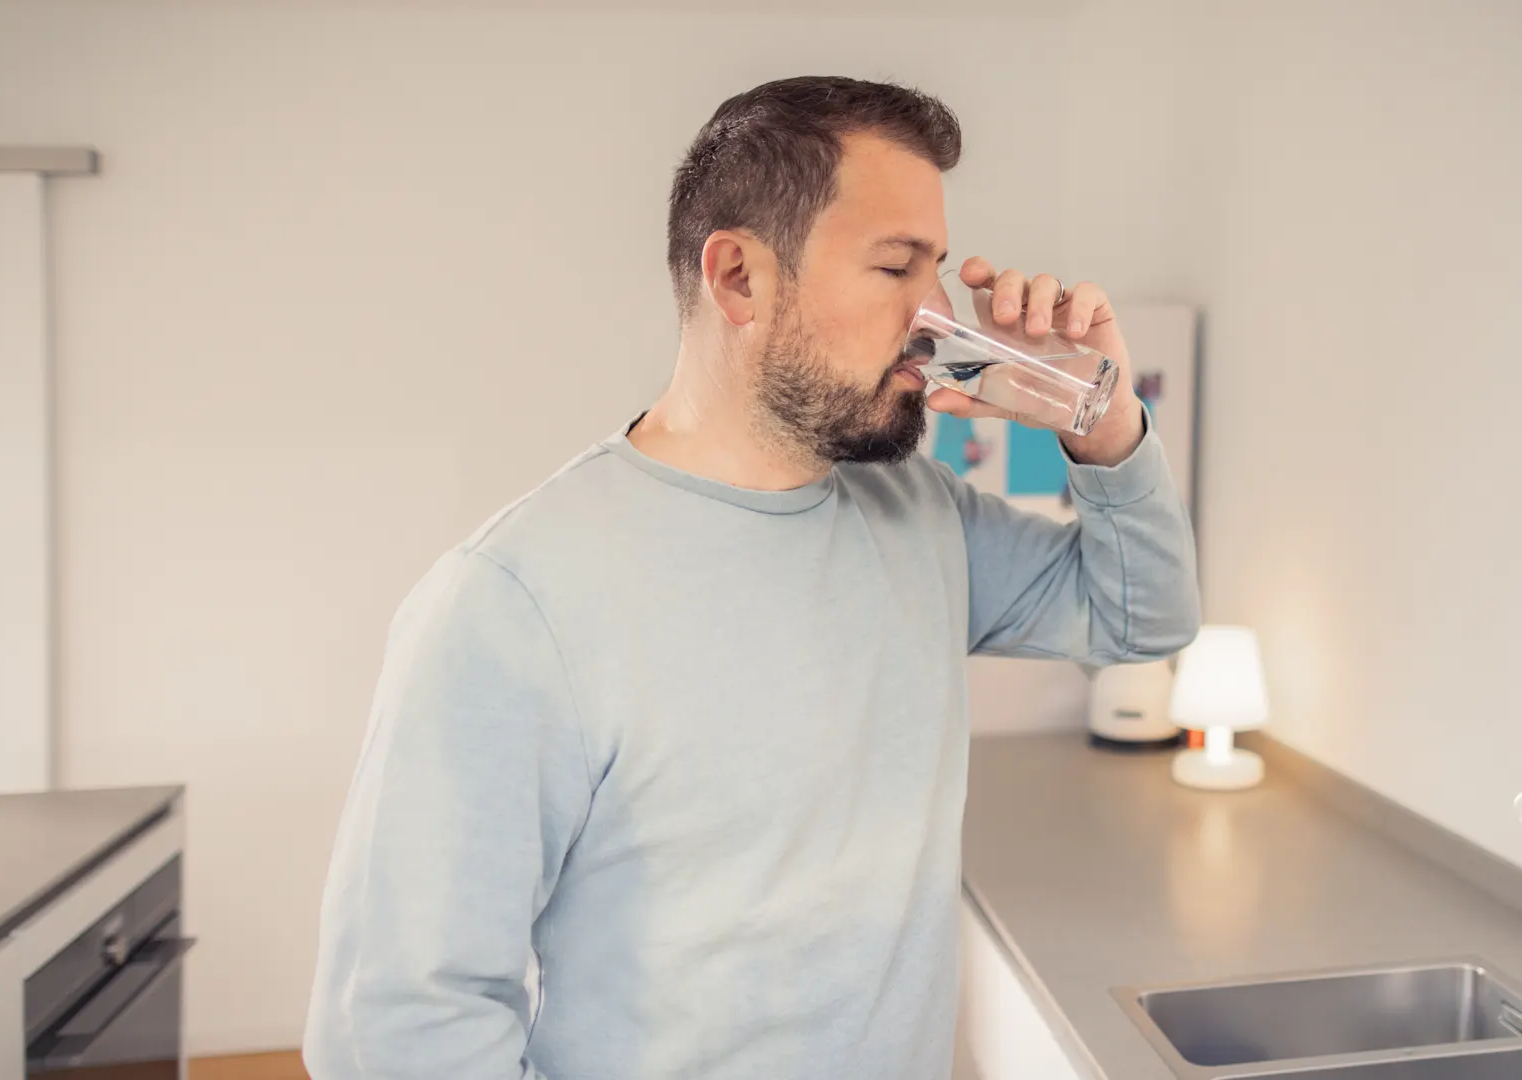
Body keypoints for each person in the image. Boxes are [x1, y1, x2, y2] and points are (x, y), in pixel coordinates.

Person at [304, 75, 1200, 1080]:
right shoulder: (512, 601)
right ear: (737, 277)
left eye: (938, 272)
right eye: (897, 269)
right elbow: (398, 1030)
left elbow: (1143, 621)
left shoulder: (919, 516)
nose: (939, 319)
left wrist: (1102, 415)